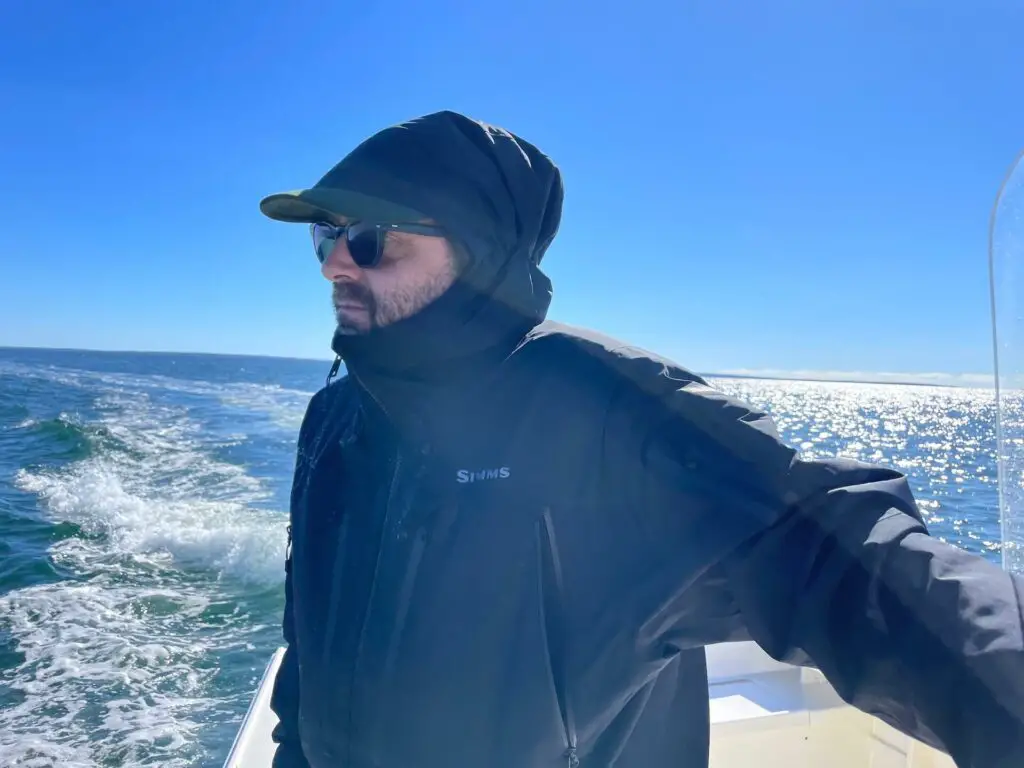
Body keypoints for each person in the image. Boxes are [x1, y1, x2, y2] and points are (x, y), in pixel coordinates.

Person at [258, 110, 1024, 768]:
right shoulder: (334, 420)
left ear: (476, 249)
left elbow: (848, 563)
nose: (332, 265)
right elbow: (309, 650)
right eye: (324, 236)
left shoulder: (609, 410)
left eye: (367, 239)